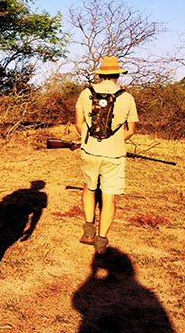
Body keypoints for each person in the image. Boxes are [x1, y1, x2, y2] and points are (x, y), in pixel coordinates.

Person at [75, 56, 138, 255]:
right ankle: (101, 241)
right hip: (115, 154)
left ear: (100, 75)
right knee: (109, 197)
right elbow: (131, 130)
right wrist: (115, 141)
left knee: (89, 187)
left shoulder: (86, 93)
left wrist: (90, 138)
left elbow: (78, 123)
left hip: (89, 151)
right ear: (117, 76)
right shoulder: (127, 97)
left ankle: (88, 232)